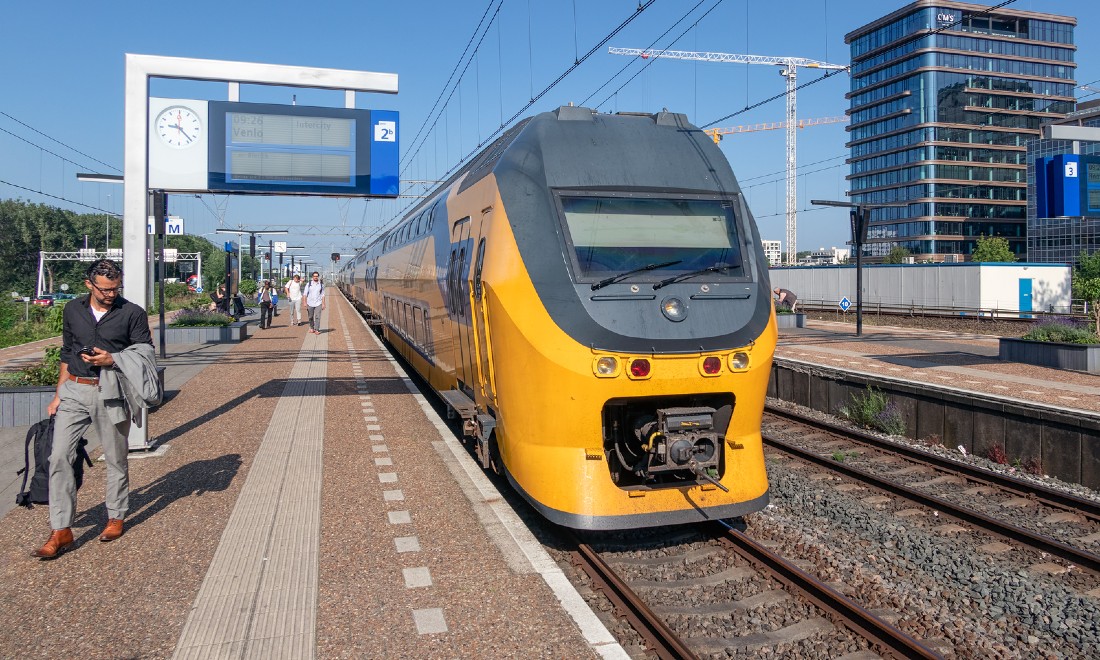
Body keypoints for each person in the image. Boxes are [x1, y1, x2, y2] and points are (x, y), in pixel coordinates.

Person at [34, 258, 159, 559]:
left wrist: (112, 359)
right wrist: (57, 395)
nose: (111, 294)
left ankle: (116, 515)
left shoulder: (132, 313)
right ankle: (60, 529)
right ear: (89, 285)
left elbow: (145, 352)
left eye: (115, 288)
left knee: (115, 458)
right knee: (59, 456)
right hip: (74, 390)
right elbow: (66, 352)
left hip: (111, 392)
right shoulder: (72, 310)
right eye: (104, 289)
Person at [302, 271, 325, 335]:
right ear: (312, 277)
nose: (315, 277)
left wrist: (323, 303)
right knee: (310, 316)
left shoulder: (321, 285)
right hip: (310, 303)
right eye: (314, 276)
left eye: (316, 276)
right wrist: (304, 302)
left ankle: (317, 329)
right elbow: (305, 294)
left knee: (318, 316)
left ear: (318, 277)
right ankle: (312, 327)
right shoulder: (309, 284)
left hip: (318, 303)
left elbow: (323, 295)